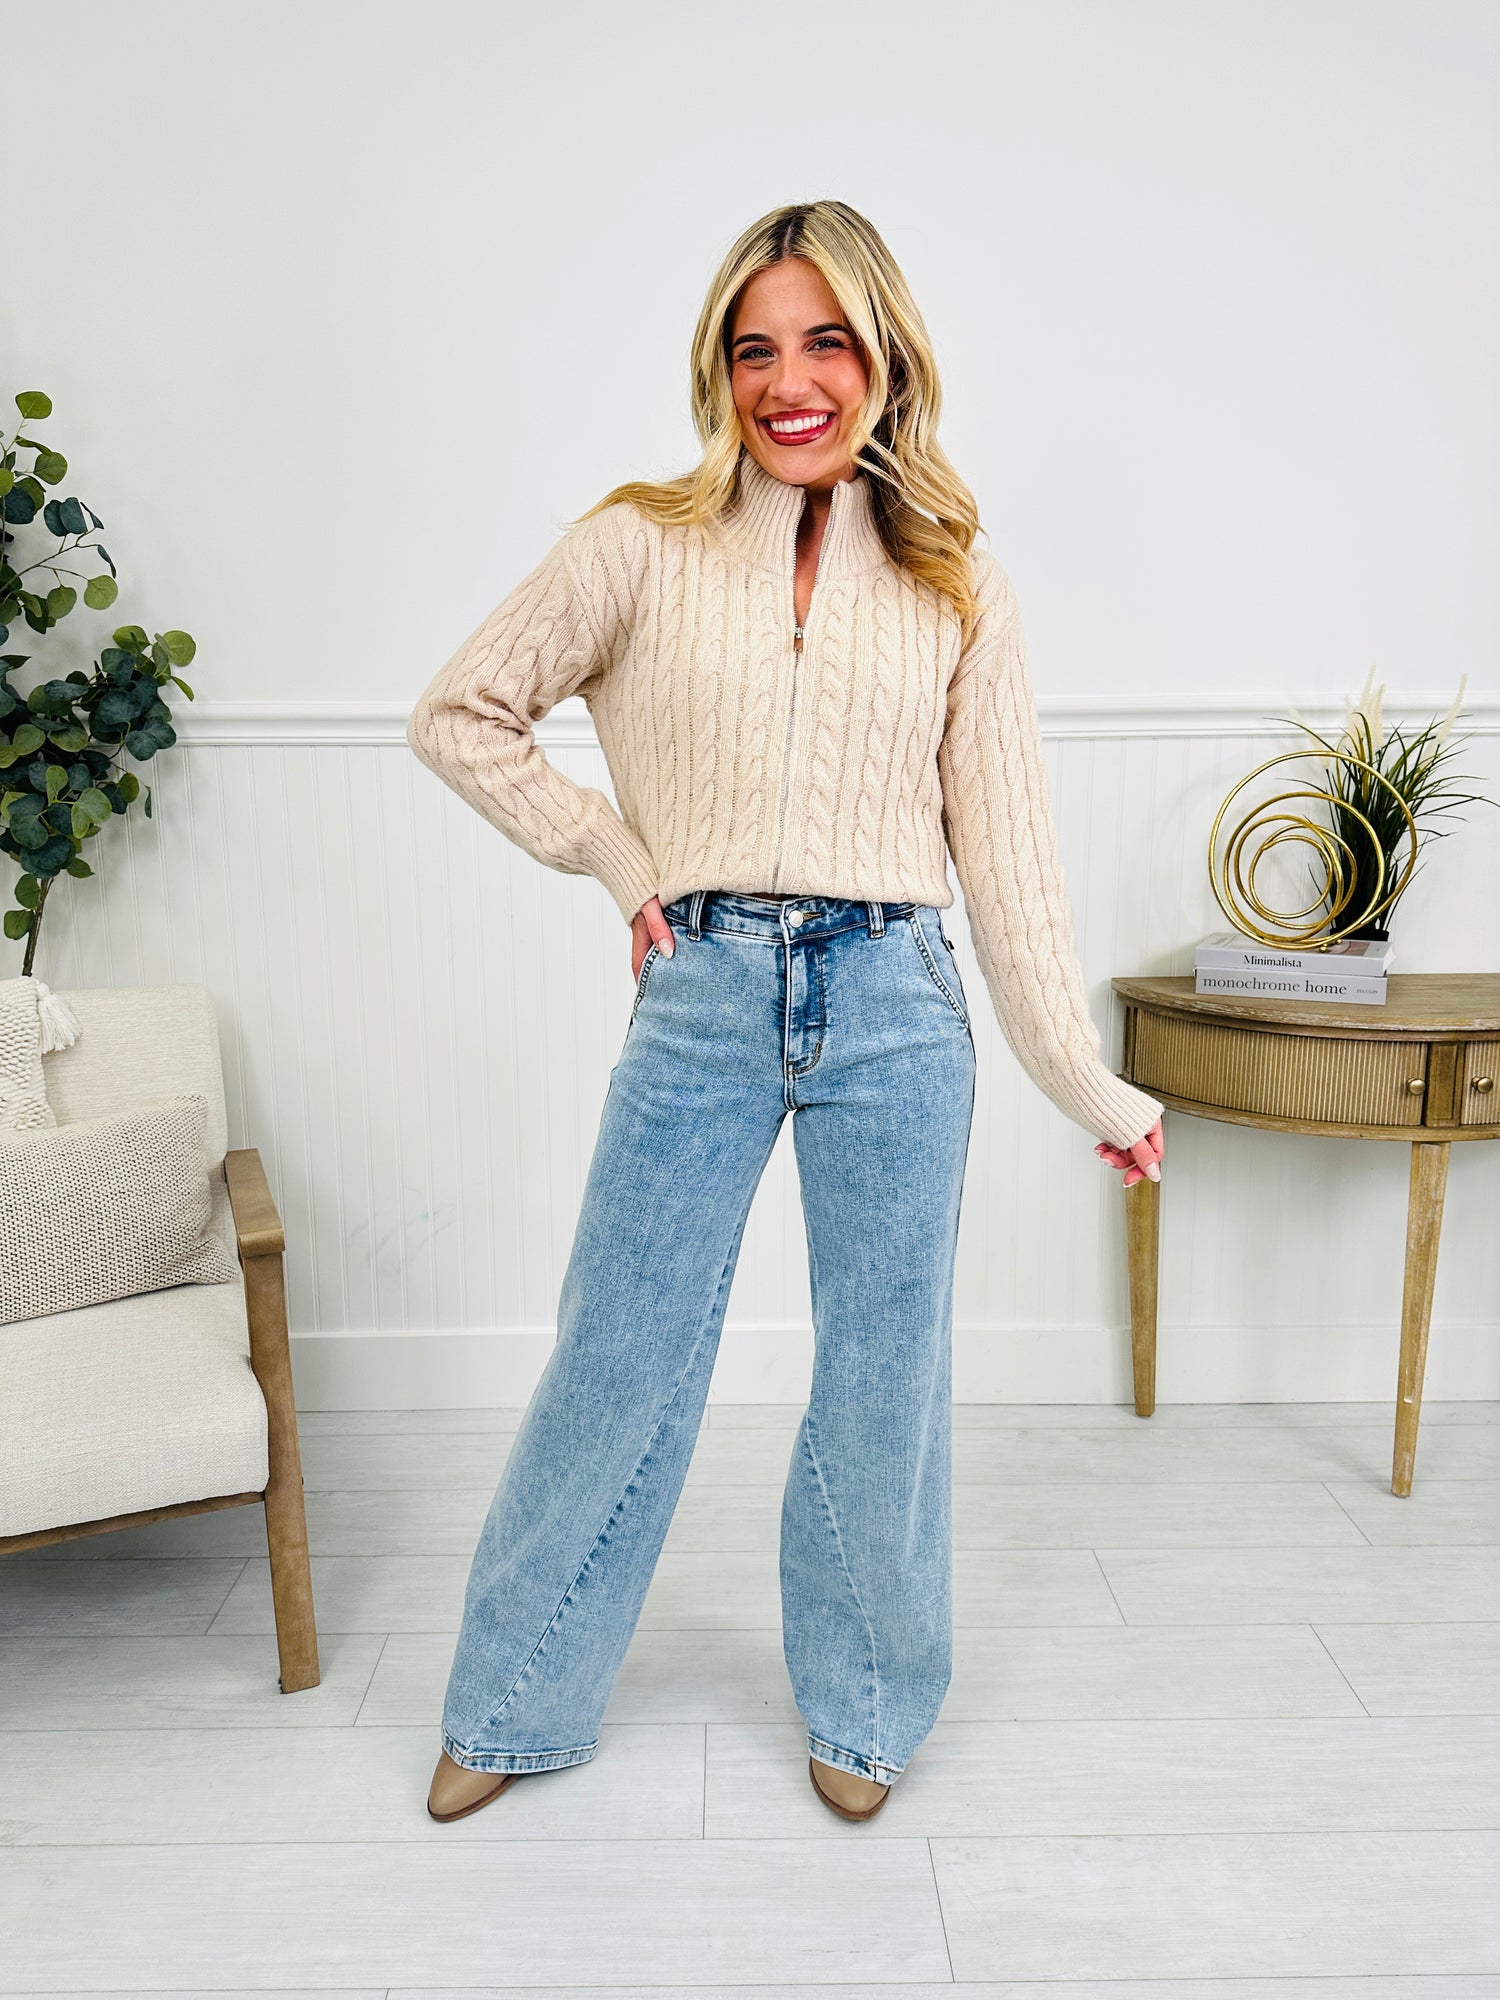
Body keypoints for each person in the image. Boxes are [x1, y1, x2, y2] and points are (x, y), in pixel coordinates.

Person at [406, 199, 1165, 1826]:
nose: (790, 381)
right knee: (618, 1351)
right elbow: (461, 712)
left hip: (897, 997)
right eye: (755, 350)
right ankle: (514, 1701)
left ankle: (867, 1706)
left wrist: (1090, 1087)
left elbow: (1009, 861)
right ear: (719, 370)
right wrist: (615, 855)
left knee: (884, 1373)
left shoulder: (959, 580)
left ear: (886, 357)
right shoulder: (636, 543)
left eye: (825, 342)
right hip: (700, 989)